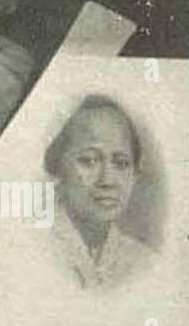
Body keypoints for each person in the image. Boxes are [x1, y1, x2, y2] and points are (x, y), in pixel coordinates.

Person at [43, 94, 154, 292]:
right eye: (89, 161)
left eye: (121, 163)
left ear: (134, 174)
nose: (107, 181)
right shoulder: (31, 247)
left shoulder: (145, 262)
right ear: (57, 168)